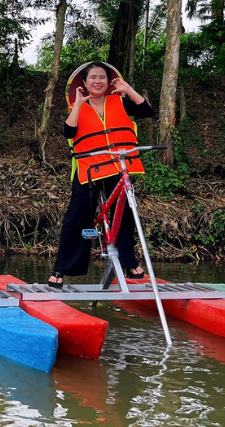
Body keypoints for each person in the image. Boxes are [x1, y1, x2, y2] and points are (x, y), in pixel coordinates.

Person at [49, 61, 156, 288]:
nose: (98, 81)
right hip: (89, 169)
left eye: (102, 77)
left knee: (124, 212)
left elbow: (148, 111)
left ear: (109, 82)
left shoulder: (120, 101)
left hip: (118, 166)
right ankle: (61, 268)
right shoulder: (76, 106)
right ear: (85, 82)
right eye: (93, 77)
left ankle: (129, 263)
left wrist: (127, 89)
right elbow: (68, 131)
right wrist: (79, 104)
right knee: (77, 215)